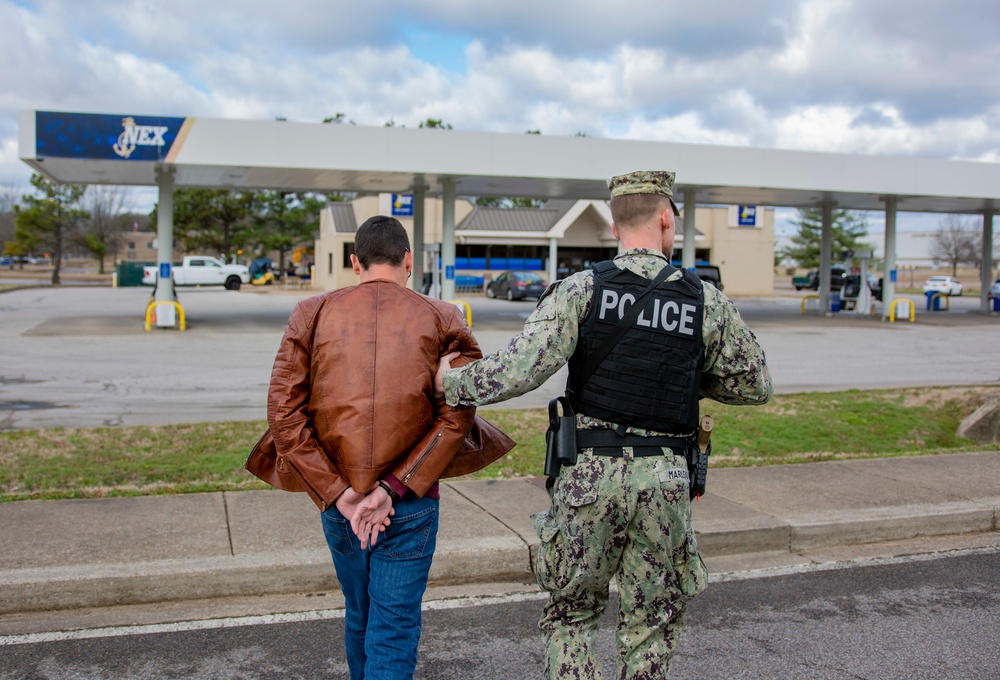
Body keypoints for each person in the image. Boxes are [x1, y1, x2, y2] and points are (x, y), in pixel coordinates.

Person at [436, 171, 773, 679]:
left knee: (572, 618)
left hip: (589, 477)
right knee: (651, 624)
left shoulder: (581, 290)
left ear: (614, 227)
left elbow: (520, 369)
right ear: (666, 219)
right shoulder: (705, 301)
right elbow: (754, 384)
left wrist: (451, 383)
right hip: (665, 481)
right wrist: (685, 378)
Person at [266, 215, 511, 680]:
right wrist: (394, 486)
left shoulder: (310, 312)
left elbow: (284, 414)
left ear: (355, 262)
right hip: (411, 500)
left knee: (359, 614)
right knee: (392, 626)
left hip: (340, 504)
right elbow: (459, 412)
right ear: (409, 261)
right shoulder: (444, 316)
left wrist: (341, 493)